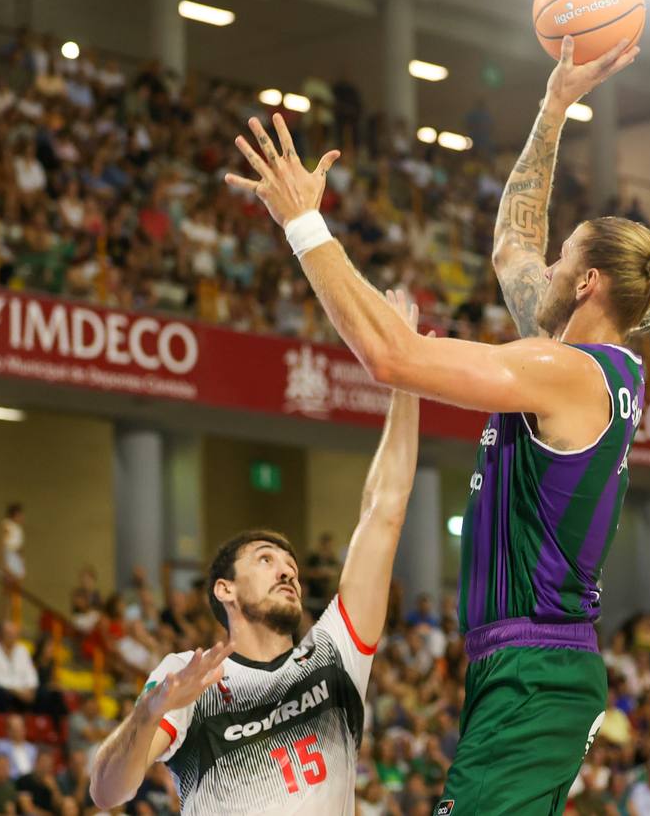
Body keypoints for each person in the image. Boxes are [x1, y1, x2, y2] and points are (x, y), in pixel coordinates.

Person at [227, 35, 650, 815]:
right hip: (530, 668)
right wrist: (553, 106)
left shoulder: (563, 372)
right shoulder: (589, 368)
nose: (542, 267)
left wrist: (304, 223)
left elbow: (391, 357)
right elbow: (511, 242)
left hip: (534, 670)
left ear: (586, 283)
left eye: (561, 260)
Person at [89, 292, 423, 815]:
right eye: (266, 559)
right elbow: (107, 792)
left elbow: (385, 511)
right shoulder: (194, 676)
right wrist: (146, 715)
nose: (287, 571)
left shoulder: (336, 653)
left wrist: (406, 372)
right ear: (225, 589)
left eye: (290, 566)